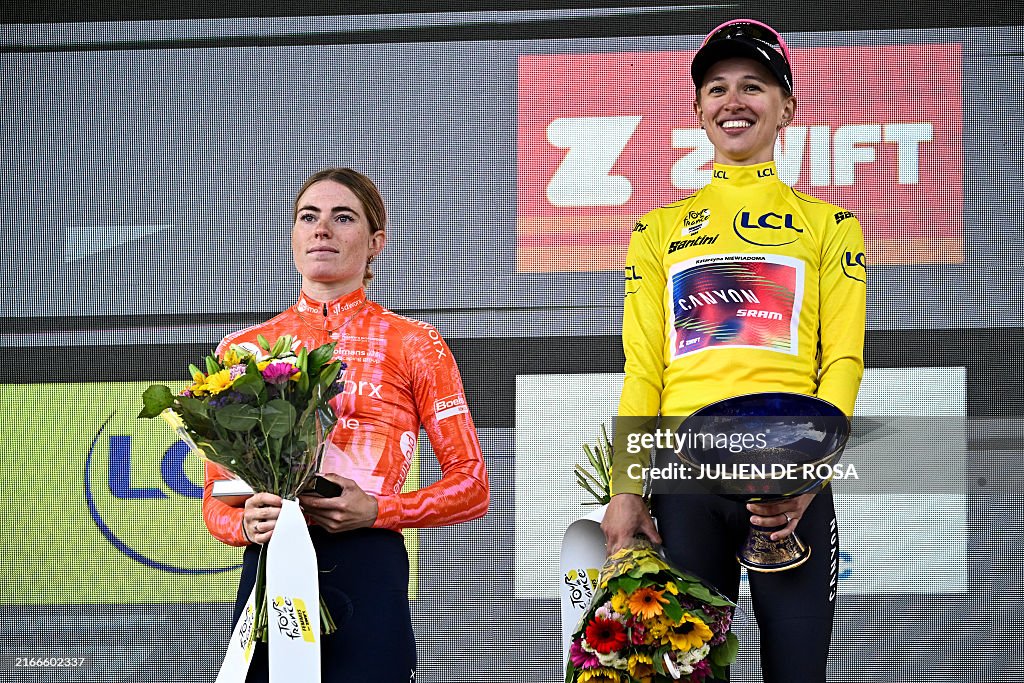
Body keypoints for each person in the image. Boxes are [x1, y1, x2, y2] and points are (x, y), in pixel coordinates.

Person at [602, 19, 866, 682]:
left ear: (787, 109)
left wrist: (809, 471)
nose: (734, 101)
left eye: (754, 86)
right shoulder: (657, 230)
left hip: (790, 476)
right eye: (717, 88)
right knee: (689, 676)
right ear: (698, 111)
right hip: (685, 482)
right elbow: (646, 371)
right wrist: (626, 487)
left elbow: (842, 361)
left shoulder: (831, 225)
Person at [201, 167, 490, 682]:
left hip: (368, 565)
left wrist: (378, 510)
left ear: (375, 241)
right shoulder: (242, 350)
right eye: (308, 216)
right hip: (271, 563)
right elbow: (215, 501)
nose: (321, 229)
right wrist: (244, 525)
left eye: (343, 217)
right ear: (292, 233)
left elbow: (471, 486)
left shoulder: (414, 342)